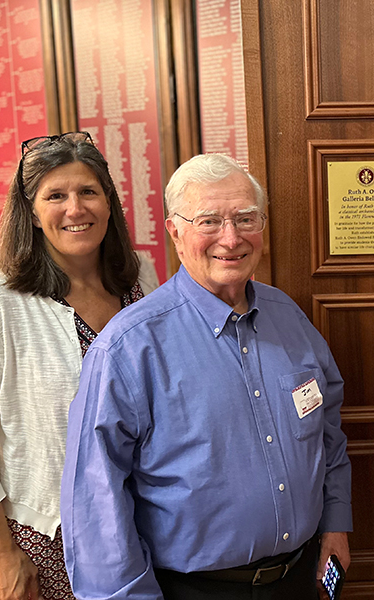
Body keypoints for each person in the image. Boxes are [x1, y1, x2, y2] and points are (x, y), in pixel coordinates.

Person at [61, 153, 352, 600]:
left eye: (245, 218)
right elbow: (96, 498)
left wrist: (335, 523)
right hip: (192, 590)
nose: (231, 238)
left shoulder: (289, 318)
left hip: (297, 578)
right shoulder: (128, 347)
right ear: (175, 231)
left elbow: (327, 431)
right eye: (209, 221)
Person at [0, 131, 158, 600]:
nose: (75, 209)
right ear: (33, 213)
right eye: (55, 196)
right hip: (50, 537)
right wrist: (0, 555)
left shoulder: (139, 275)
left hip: (147, 515)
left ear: (109, 202)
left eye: (88, 192)